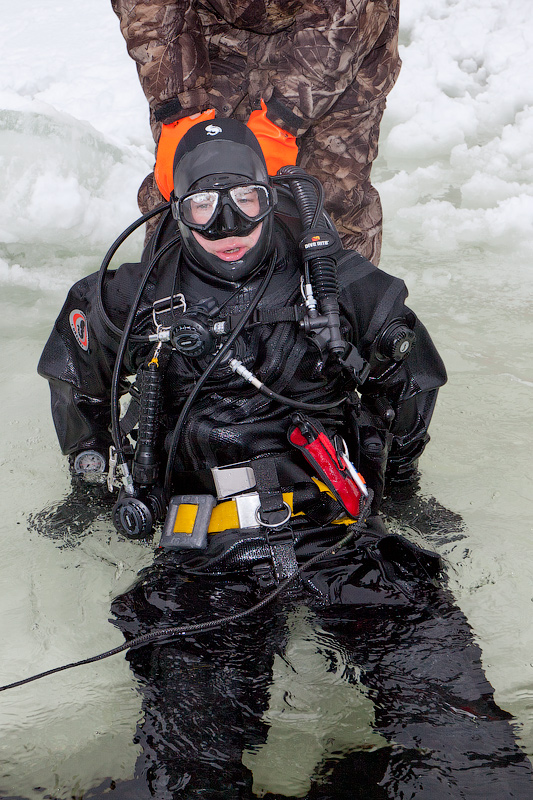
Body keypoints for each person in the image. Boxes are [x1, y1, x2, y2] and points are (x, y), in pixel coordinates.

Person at [38, 121, 532, 797]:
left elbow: (413, 377)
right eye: (202, 207)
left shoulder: (333, 280)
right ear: (171, 206)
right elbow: (72, 378)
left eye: (243, 199)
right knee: (187, 776)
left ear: (270, 194)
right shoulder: (129, 293)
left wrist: (401, 488)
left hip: (341, 535)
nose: (227, 225)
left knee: (468, 753)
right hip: (204, 554)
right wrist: (87, 481)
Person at [110, 0, 401, 263]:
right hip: (208, 31)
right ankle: (169, 307)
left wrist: (283, 119)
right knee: (189, 197)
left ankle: (338, 307)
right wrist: (179, 110)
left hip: (340, 34)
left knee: (328, 201)